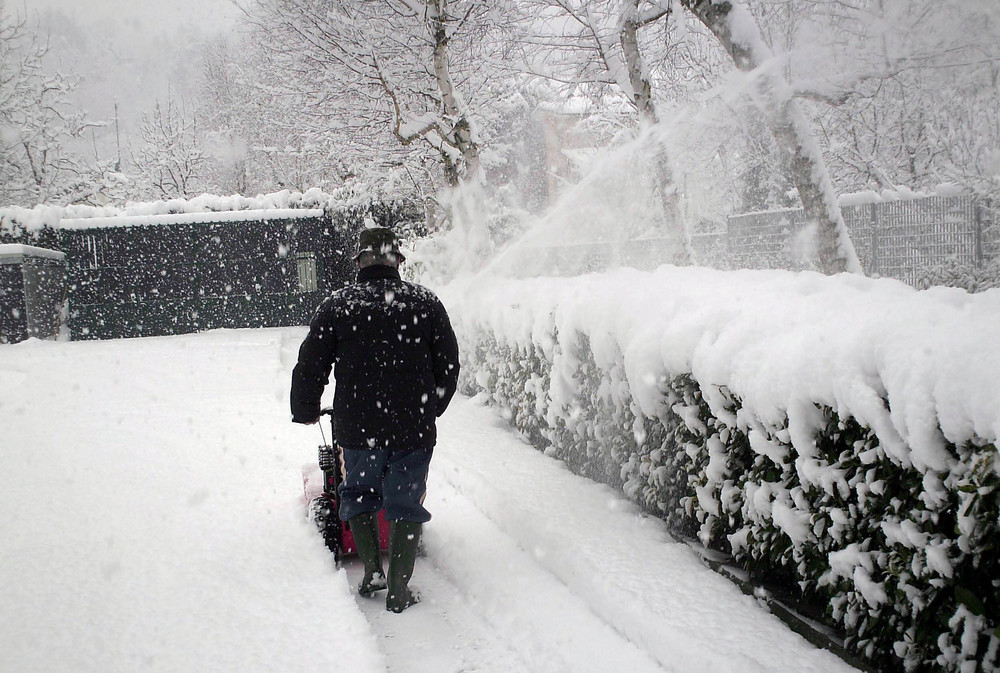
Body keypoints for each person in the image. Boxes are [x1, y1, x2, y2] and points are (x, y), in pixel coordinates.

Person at [290, 226, 460, 613]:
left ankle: (372, 572)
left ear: (360, 262)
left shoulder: (337, 306)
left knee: (358, 494)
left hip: (358, 427)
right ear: (397, 261)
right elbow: (448, 365)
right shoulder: (425, 303)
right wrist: (431, 406)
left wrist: (305, 408)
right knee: (406, 502)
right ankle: (400, 590)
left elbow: (311, 364)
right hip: (413, 429)